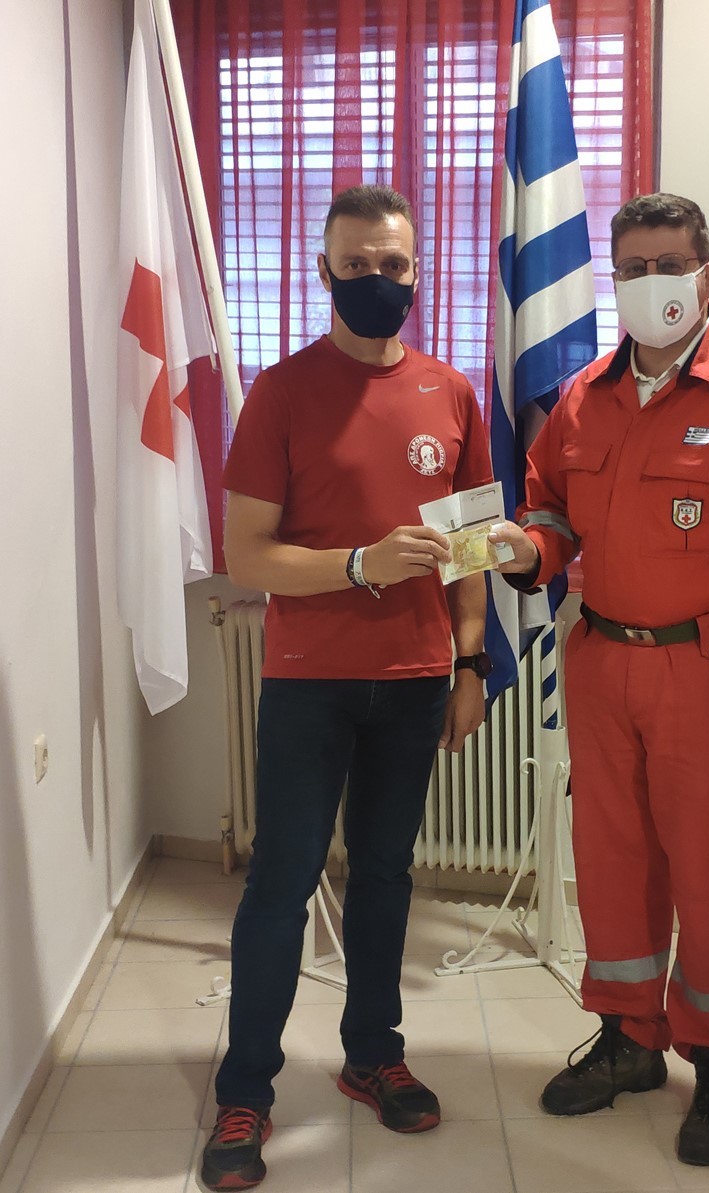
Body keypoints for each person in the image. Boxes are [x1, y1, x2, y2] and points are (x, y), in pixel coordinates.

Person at [490, 193, 709, 1167]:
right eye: (632, 267)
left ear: (704, 273)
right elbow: (551, 509)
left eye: (668, 264)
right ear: (612, 281)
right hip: (603, 661)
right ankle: (628, 1037)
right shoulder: (584, 395)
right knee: (612, 860)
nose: (650, 282)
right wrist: (527, 547)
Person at [201, 184, 494, 1192]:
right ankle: (245, 1088)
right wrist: (361, 564)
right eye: (357, 263)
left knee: (384, 877)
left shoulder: (452, 393)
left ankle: (371, 1053)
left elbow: (469, 551)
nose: (377, 278)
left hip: (414, 683)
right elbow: (247, 555)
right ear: (324, 269)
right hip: (308, 685)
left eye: (393, 264)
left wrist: (470, 664)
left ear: (418, 271)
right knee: (280, 885)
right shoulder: (280, 392)